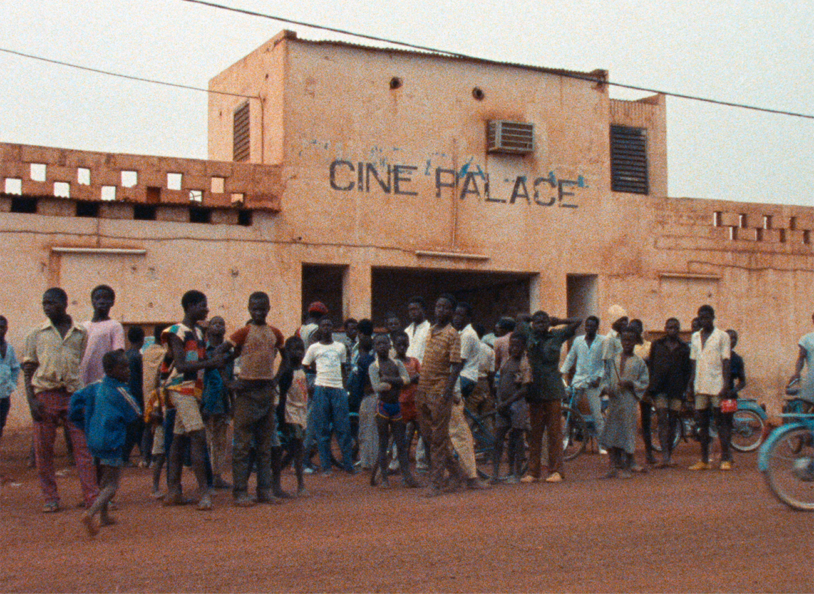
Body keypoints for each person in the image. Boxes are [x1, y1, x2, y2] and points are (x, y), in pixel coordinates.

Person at [22, 288, 98, 512]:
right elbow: (29, 369)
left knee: (83, 449)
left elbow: (78, 360)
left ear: (64, 304)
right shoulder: (36, 334)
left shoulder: (80, 333)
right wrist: (32, 401)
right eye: (44, 303)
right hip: (45, 395)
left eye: (51, 303)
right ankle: (51, 498)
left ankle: (91, 497)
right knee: (43, 451)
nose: (47, 307)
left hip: (73, 395)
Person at [217, 292, 287, 505]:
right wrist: (228, 382)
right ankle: (240, 491)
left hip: (266, 392)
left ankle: (264, 490)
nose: (258, 312)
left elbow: (287, 358)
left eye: (262, 308)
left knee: (265, 447)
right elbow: (219, 353)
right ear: (249, 309)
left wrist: (276, 380)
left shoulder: (275, 333)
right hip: (246, 394)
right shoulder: (243, 332)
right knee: (242, 446)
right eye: (254, 309)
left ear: (269, 308)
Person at [160, 290, 225, 510]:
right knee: (198, 435)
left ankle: (173, 491)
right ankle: (204, 492)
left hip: (192, 390)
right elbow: (181, 366)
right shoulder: (176, 332)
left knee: (179, 439)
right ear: (190, 306)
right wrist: (211, 363)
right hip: (180, 388)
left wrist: (217, 360)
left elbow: (201, 361)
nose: (206, 309)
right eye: (202, 305)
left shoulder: (198, 332)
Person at [69, 350, 141, 536]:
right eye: (123, 368)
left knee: (103, 481)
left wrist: (83, 424)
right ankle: (90, 513)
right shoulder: (121, 391)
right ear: (110, 370)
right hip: (112, 441)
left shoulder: (94, 386)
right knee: (112, 485)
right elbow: (136, 413)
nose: (128, 371)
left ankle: (104, 516)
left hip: (93, 440)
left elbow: (74, 403)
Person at [521, 310, 581, 484]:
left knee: (554, 433)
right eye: (537, 322)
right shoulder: (529, 334)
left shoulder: (557, 335)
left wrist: (559, 320)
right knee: (535, 433)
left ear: (549, 323)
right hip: (534, 390)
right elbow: (520, 318)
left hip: (553, 390)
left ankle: (556, 471)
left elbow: (578, 320)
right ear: (533, 324)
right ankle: (533, 472)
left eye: (544, 322)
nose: (541, 325)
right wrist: (533, 318)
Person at [416, 294, 464, 496]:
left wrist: (447, 393)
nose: (440, 310)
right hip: (423, 390)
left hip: (440, 392)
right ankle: (457, 473)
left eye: (445, 307)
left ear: (452, 312)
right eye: (438, 306)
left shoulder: (453, 334)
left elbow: (456, 366)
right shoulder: (430, 331)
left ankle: (436, 483)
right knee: (428, 437)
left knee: (438, 439)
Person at [302, 317, 355, 474]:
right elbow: (305, 366)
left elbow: (343, 368)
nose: (326, 328)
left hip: (338, 389)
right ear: (320, 328)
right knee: (322, 430)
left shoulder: (340, 347)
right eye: (323, 325)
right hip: (321, 389)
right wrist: (310, 384)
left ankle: (348, 466)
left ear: (333, 328)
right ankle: (326, 467)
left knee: (343, 429)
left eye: (329, 325)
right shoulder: (314, 348)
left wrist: (344, 389)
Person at [368, 333, 419, 488]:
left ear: (390, 345)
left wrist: (388, 380)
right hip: (383, 407)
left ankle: (407, 477)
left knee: (401, 444)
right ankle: (384, 478)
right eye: (378, 344)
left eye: (384, 343)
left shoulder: (396, 364)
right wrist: (397, 382)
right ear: (375, 347)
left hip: (396, 406)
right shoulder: (374, 366)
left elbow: (406, 380)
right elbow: (378, 387)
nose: (382, 346)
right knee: (383, 443)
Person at [599, 328, 649, 479]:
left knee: (627, 431)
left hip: (628, 401)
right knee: (612, 431)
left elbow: (644, 382)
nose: (627, 343)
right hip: (614, 401)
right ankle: (614, 466)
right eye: (625, 340)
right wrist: (605, 388)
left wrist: (631, 384)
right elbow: (605, 377)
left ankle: (628, 466)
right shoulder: (613, 359)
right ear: (621, 341)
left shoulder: (639, 362)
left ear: (635, 342)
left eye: (630, 340)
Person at [687, 305, 732, 471]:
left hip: (717, 385)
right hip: (700, 386)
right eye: (701, 317)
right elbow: (694, 361)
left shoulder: (722, 336)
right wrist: (691, 383)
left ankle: (726, 458)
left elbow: (726, 361)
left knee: (721, 423)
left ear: (713, 318)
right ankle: (704, 460)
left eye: (707, 317)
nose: (703, 320)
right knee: (702, 424)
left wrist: (725, 384)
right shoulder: (695, 337)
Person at [647, 318, 691, 468]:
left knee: (673, 421)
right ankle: (665, 456)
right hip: (659, 388)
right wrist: (651, 386)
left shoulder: (684, 348)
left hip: (677, 390)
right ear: (665, 328)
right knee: (662, 419)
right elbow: (651, 366)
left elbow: (687, 371)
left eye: (676, 328)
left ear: (679, 329)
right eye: (670, 327)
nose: (673, 330)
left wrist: (686, 390)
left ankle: (669, 455)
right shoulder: (657, 345)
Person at [560, 315, 606, 451]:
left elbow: (606, 362)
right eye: (587, 325)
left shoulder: (603, 341)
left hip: (594, 382)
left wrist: (599, 378)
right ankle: (575, 433)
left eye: (592, 326)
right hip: (579, 380)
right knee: (569, 408)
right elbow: (570, 358)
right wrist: (562, 372)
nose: (589, 328)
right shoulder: (578, 341)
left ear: (597, 327)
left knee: (597, 414)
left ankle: (602, 444)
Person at [492, 332, 532, 484]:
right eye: (512, 346)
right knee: (498, 439)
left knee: (516, 440)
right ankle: (495, 474)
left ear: (524, 347)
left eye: (517, 346)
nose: (514, 349)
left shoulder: (524, 364)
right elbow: (500, 382)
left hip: (516, 406)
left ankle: (515, 473)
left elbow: (524, 389)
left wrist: (507, 402)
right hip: (503, 405)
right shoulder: (507, 362)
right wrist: (499, 401)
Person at [202, 316, 233, 490]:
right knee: (206, 440)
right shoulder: (203, 352)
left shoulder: (229, 353)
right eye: (214, 323)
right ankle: (206, 477)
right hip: (206, 402)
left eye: (221, 324)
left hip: (223, 402)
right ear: (208, 330)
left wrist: (232, 403)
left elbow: (230, 379)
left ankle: (217, 475)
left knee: (220, 441)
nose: (218, 326)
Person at [276, 336, 308, 496]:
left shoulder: (302, 369)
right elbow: (282, 397)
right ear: (287, 352)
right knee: (297, 448)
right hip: (290, 414)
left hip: (301, 413)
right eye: (295, 350)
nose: (299, 353)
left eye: (301, 349)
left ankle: (277, 473)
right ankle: (300, 484)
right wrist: (282, 422)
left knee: (296, 450)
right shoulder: (287, 372)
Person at [79, 285, 125, 386]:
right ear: (92, 302)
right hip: (81, 382)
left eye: (106, 298)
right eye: (97, 298)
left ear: (112, 302)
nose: (101, 301)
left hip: (102, 383)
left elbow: (117, 355)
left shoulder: (115, 326)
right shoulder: (83, 327)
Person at [628, 318, 654, 466]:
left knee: (646, 421)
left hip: (644, 387)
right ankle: (629, 454)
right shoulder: (627, 346)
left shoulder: (649, 346)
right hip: (630, 388)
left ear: (641, 330)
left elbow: (651, 363)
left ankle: (649, 453)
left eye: (636, 328)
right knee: (630, 422)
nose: (634, 331)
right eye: (631, 328)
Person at [393, 330, 421, 460]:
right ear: (394, 345)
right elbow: (396, 382)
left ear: (408, 344)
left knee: (422, 432)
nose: (402, 347)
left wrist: (410, 380)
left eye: (404, 345)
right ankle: (397, 460)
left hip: (415, 402)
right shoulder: (392, 363)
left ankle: (421, 460)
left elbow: (421, 377)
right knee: (400, 433)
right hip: (401, 403)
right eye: (399, 345)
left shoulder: (414, 361)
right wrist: (411, 379)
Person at [0, 316, 20, 474]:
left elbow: (15, 368)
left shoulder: (9, 349)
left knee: (0, 427)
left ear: (6, 329)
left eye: (2, 327)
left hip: (4, 396)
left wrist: (12, 385)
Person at [124, 326, 145, 466]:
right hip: (136, 395)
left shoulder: (126, 355)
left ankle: (143, 454)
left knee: (134, 427)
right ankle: (126, 456)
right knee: (137, 427)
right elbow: (141, 379)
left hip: (127, 395)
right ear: (142, 339)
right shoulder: (138, 357)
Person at [787, 313, 814, 408]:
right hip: (812, 380)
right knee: (807, 407)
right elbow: (801, 358)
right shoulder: (807, 339)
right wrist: (797, 373)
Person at [405, 296, 431, 363]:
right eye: (410, 310)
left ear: (423, 310)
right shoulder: (407, 331)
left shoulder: (430, 329)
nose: (412, 312)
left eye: (415, 309)